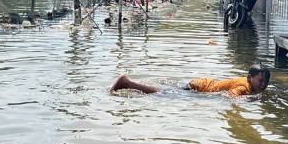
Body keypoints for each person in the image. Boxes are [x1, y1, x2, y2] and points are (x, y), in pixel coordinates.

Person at [110, 62, 270, 97]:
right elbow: (232, 97)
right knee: (162, 94)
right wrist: (242, 102)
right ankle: (127, 83)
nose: (263, 85)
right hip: (199, 88)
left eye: (265, 82)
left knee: (172, 90)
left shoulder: (247, 82)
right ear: (250, 78)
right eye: (260, 81)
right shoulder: (245, 87)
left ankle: (162, 81)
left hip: (202, 82)